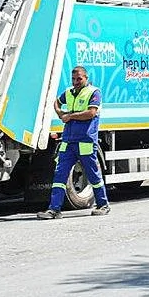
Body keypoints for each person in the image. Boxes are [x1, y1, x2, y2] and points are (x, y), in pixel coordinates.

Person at [38, 65, 111, 219]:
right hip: (68, 141)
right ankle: (54, 209)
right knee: (59, 176)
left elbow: (91, 113)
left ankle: (103, 204)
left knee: (93, 175)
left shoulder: (94, 92)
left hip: (85, 142)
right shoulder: (69, 93)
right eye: (73, 79)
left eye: (79, 79)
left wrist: (69, 116)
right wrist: (60, 114)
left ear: (86, 78)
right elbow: (56, 102)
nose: (76, 82)